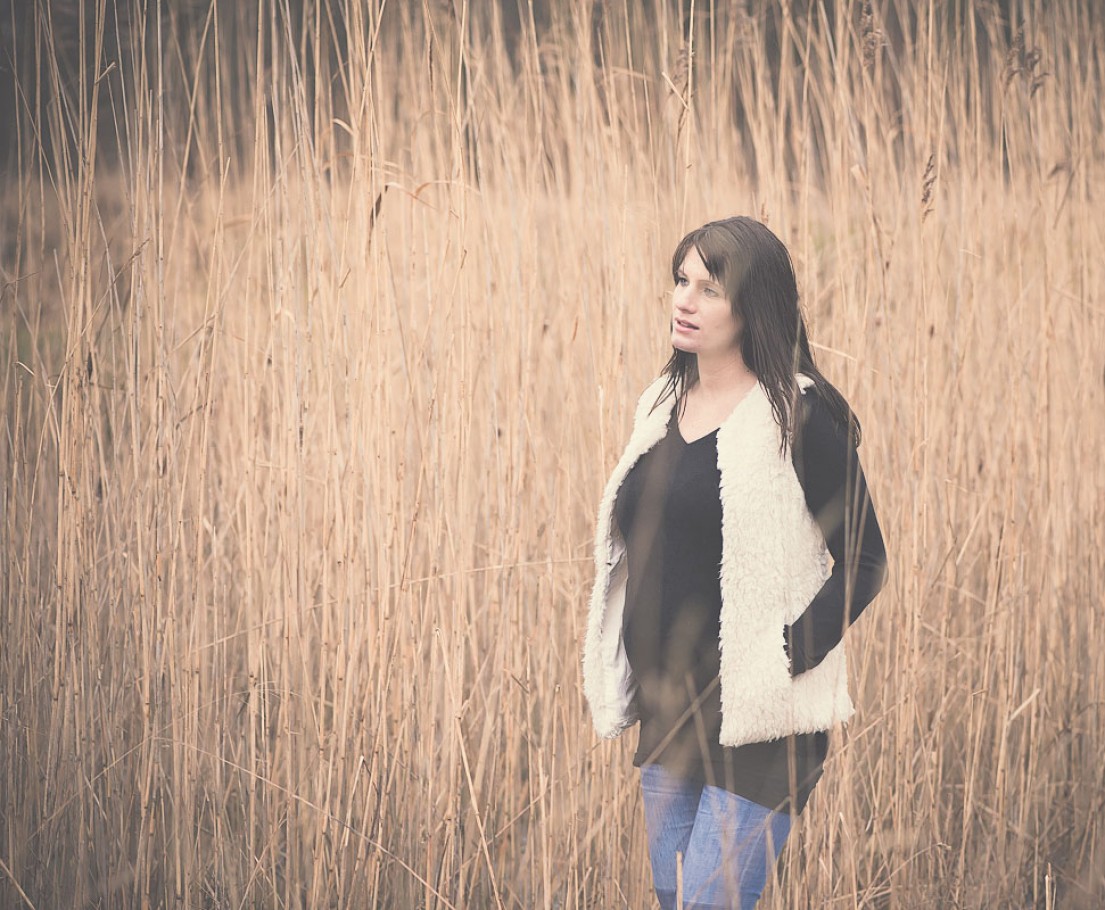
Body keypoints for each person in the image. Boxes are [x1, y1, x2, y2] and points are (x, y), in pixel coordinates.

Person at [581, 217, 888, 909]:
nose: (684, 300)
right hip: (669, 715)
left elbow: (865, 560)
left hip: (758, 725)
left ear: (753, 306)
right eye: (680, 280)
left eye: (709, 289)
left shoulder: (797, 416)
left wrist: (784, 655)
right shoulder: (659, 405)